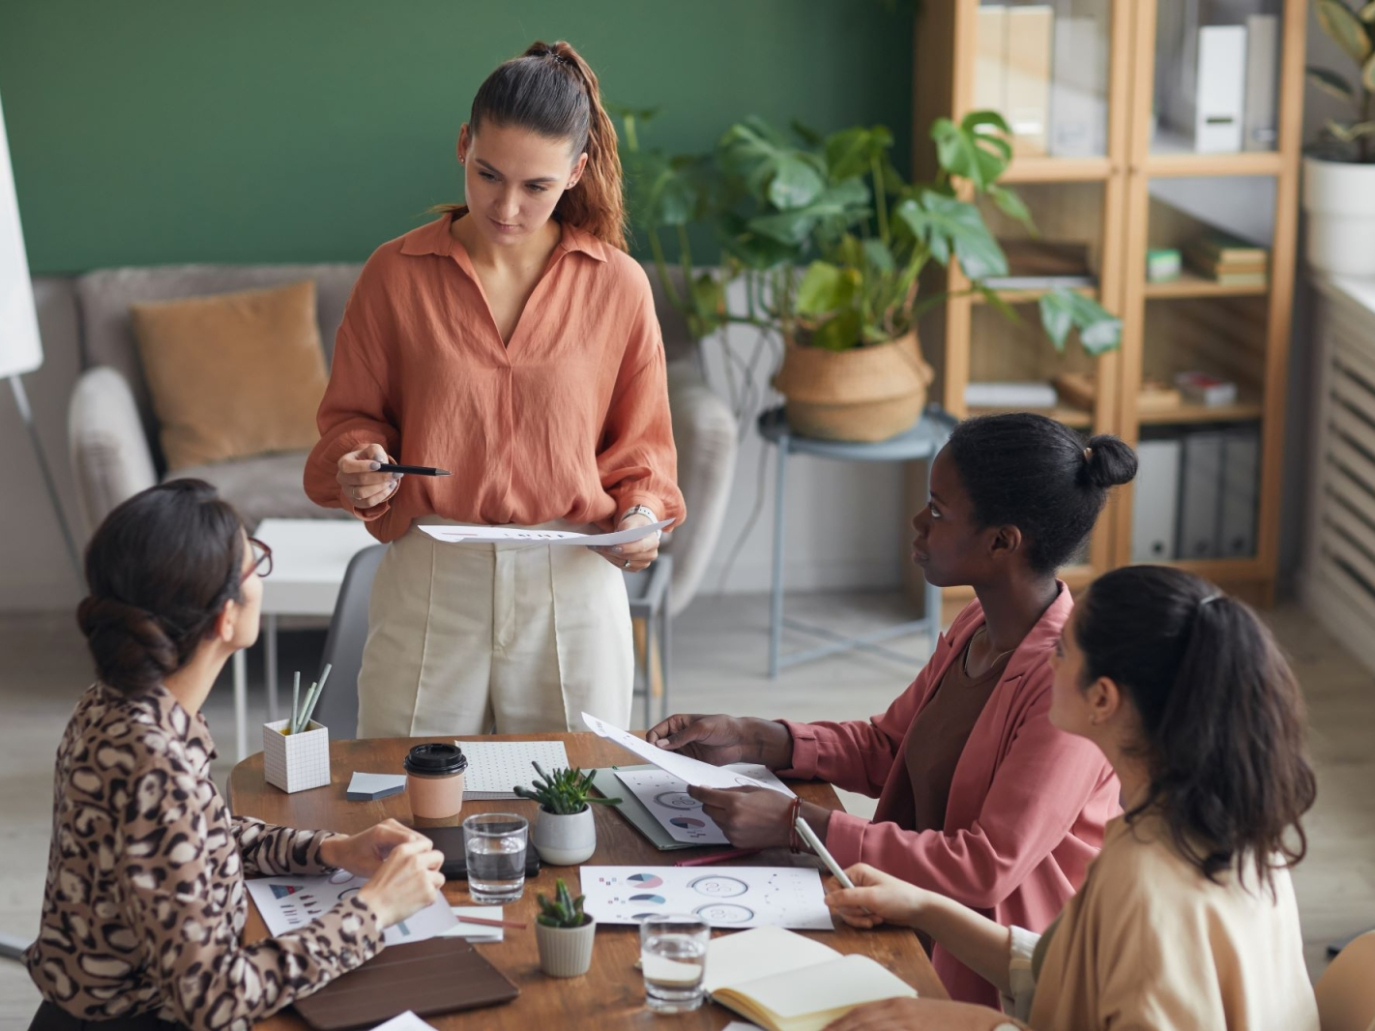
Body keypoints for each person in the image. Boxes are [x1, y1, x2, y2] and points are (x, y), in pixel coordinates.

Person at [648, 413, 1136, 1005]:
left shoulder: (1067, 685)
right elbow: (890, 746)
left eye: (938, 509)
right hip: (907, 914)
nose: (918, 522)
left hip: (995, 973)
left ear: (1002, 541)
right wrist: (755, 738)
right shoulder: (977, 626)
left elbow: (986, 867)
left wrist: (795, 823)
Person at [304, 40, 684, 738]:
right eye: (488, 174)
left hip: (570, 582)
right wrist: (359, 465)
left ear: (575, 172)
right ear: (461, 145)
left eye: (536, 186)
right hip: (429, 580)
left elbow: (644, 457)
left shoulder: (618, 286)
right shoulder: (394, 273)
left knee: (577, 808)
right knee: (406, 807)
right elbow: (350, 421)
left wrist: (639, 520)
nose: (506, 206)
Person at [25, 481, 446, 1031]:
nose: (261, 577)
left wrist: (335, 850)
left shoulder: (117, 703)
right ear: (226, 617)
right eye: (257, 565)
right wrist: (374, 911)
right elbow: (215, 1000)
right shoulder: (156, 767)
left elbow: (200, 836)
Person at [824, 566, 1320, 1031]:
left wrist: (981, 1024)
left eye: (1062, 648)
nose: (1047, 658)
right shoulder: (1233, 829)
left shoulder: (1145, 880)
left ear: (1102, 699)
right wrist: (921, 907)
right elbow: (1065, 972)